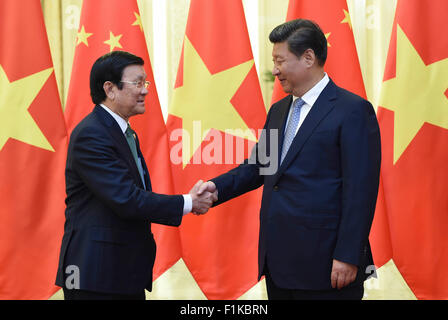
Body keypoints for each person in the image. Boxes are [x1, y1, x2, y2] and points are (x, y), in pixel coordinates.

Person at [197, 19, 381, 300]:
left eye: (280, 60)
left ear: (308, 57)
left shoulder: (353, 110)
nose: (276, 70)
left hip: (328, 265)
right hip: (279, 264)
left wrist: (348, 255)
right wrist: (215, 189)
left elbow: (361, 191)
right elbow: (260, 166)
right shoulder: (279, 110)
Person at [55, 51, 216, 300]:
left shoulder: (123, 131)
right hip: (94, 274)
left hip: (121, 269)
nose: (145, 91)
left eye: (146, 83)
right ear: (110, 89)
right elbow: (127, 199)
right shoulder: (92, 135)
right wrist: (189, 202)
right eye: (138, 83)